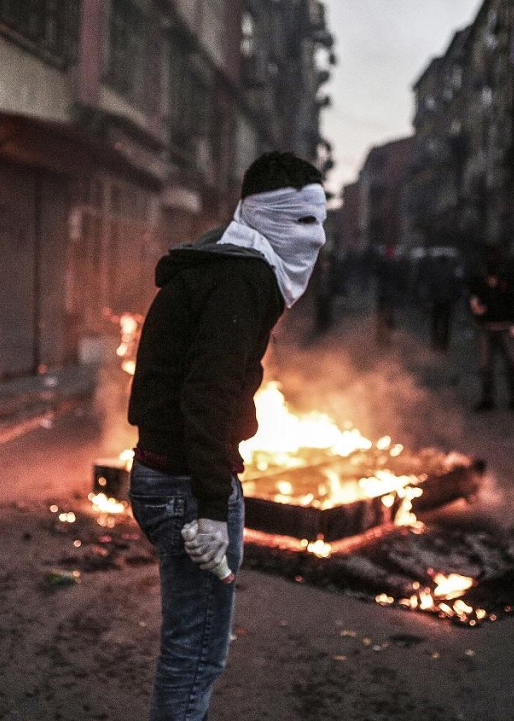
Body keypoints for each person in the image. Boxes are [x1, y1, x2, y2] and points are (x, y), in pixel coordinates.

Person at [127, 151, 326, 720]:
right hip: (187, 486)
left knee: (195, 648)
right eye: (302, 221)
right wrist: (213, 507)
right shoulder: (241, 277)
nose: (315, 240)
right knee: (197, 654)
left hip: (167, 475)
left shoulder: (222, 261)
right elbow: (208, 396)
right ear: (263, 216)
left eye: (321, 223)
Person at [468, 248, 514, 411]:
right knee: (486, 365)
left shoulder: (507, 281)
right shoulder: (479, 281)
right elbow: (472, 299)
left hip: (504, 327)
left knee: (513, 364)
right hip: (486, 327)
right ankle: (488, 399)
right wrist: (475, 307)